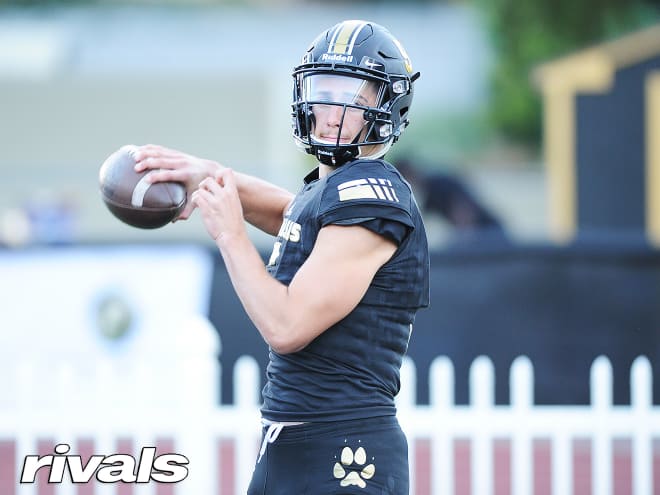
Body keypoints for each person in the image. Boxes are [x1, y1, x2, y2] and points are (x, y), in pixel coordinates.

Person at [130, 19, 429, 494]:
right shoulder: (330, 189)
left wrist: (229, 233)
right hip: (291, 443)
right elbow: (294, 214)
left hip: (344, 450)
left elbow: (287, 327)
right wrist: (210, 174)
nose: (330, 108)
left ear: (386, 105)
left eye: (351, 93)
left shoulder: (374, 198)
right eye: (323, 89)